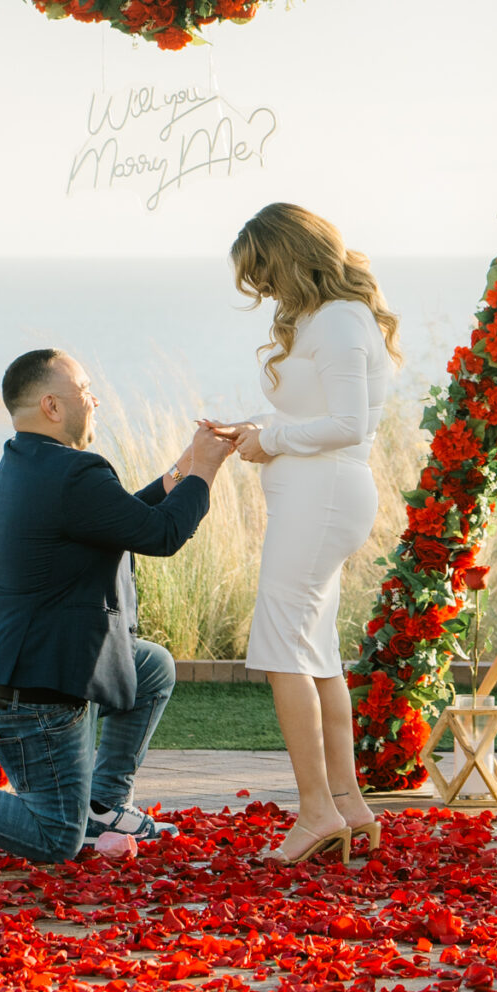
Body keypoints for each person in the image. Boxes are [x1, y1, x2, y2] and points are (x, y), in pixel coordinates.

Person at [0, 346, 236, 864]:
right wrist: (207, 472)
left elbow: (123, 517)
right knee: (55, 836)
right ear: (53, 406)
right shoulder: (72, 474)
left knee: (152, 668)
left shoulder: (30, 460)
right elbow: (163, 533)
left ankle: (101, 805)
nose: (96, 400)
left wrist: (187, 465)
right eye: (85, 392)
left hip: (29, 666)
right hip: (33, 691)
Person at [215, 202, 398, 864]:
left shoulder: (342, 321)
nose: (264, 291)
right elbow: (319, 412)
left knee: (281, 649)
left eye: (265, 273)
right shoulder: (327, 319)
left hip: (323, 498)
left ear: (291, 256)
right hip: (312, 497)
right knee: (312, 650)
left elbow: (349, 424)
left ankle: (316, 810)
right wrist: (256, 430)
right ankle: (347, 804)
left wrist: (273, 439)